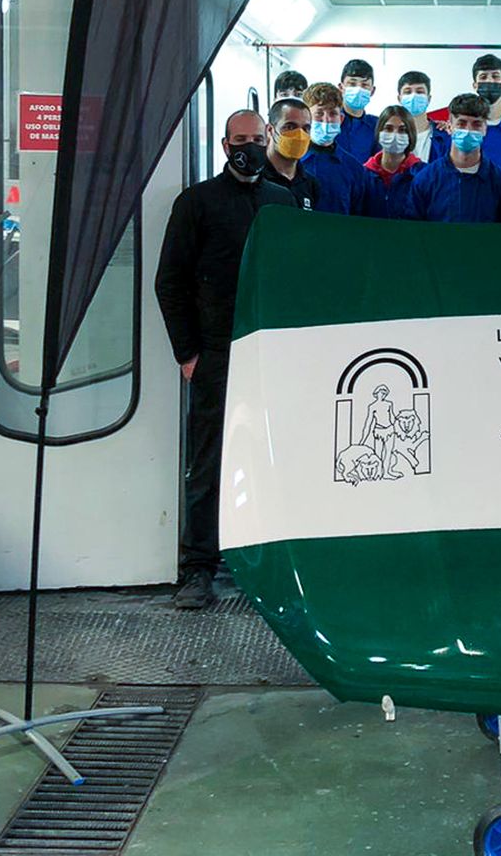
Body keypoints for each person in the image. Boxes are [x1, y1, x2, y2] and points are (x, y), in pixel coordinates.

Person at [154, 108, 298, 609]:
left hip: (270, 355)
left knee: (275, 458)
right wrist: (187, 354)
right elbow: (169, 283)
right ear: (223, 145)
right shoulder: (195, 203)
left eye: (258, 139)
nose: (250, 148)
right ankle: (198, 569)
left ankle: (271, 565)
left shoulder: (282, 201)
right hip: (214, 356)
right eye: (241, 140)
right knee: (209, 464)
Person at [406, 92, 501, 223]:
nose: (468, 130)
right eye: (461, 123)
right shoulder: (425, 180)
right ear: (449, 127)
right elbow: (414, 233)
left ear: (485, 129)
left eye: (476, 124)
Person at [300, 83, 377, 216]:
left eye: (332, 113)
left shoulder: (354, 169)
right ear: (306, 118)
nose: (326, 120)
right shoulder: (293, 162)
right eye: (319, 113)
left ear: (341, 119)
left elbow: (360, 217)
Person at [364, 105, 424, 218]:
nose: (395, 135)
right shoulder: (363, 175)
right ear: (379, 132)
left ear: (410, 134)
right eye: (388, 128)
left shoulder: (423, 174)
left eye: (402, 130)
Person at [261, 96, 320, 210]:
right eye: (290, 127)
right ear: (270, 130)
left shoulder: (311, 184)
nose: (299, 135)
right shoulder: (255, 179)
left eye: (306, 128)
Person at [396, 69, 450, 162]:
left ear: (428, 99)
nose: (413, 96)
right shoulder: (389, 134)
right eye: (408, 92)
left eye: (420, 92)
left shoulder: (444, 134)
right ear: (399, 99)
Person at [336, 58, 379, 162]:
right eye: (352, 84)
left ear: (372, 91)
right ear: (341, 88)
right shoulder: (329, 122)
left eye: (364, 85)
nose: (358, 89)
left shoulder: (376, 125)